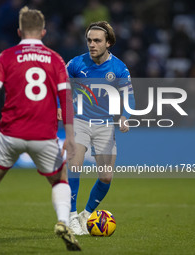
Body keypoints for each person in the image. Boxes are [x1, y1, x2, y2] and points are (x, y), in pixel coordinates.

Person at [0, 6, 81, 251]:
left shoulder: (6, 56)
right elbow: (67, 100)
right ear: (43, 31)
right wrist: (70, 137)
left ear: (19, 30)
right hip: (44, 135)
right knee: (59, 180)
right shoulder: (55, 59)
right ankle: (63, 222)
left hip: (10, 134)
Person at [58, 21, 136, 235]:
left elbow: (129, 97)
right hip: (80, 121)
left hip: (105, 125)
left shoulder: (119, 68)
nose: (92, 44)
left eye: (97, 41)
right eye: (89, 40)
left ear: (108, 43)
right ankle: (72, 216)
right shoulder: (76, 63)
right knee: (74, 165)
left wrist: (124, 117)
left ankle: (86, 214)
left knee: (106, 177)